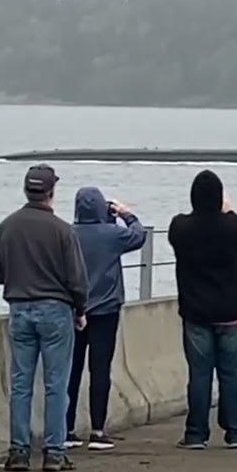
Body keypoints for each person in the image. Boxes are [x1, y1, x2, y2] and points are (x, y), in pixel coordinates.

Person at [0, 164, 87, 472]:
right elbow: (77, 281)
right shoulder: (62, 231)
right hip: (56, 311)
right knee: (56, 383)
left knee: (20, 383)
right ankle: (54, 452)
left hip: (19, 309)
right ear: (51, 192)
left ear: (26, 191)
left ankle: (19, 452)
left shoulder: (5, 228)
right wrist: (80, 310)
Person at [168, 170, 237, 450]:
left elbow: (178, 231)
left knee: (200, 374)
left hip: (196, 312)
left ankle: (196, 433)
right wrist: (229, 211)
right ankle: (235, 432)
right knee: (231, 375)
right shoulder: (234, 228)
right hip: (230, 312)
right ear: (219, 198)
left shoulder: (180, 227)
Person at [65, 187, 147, 451]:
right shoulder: (112, 235)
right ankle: (98, 430)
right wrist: (126, 214)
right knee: (100, 370)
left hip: (74, 311)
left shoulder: (68, 234)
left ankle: (67, 429)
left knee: (71, 371)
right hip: (106, 311)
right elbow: (139, 236)